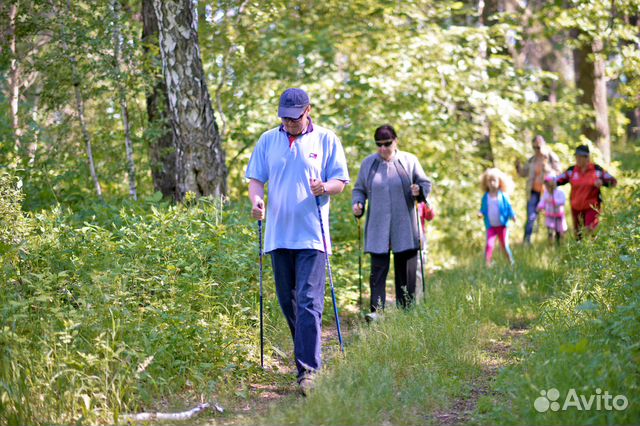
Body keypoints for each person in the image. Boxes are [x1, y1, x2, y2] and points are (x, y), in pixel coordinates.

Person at [246, 88, 349, 394]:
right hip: (278, 236)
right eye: (285, 118)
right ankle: (307, 353)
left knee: (308, 302)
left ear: (308, 111)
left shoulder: (326, 139)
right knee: (288, 303)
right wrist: (257, 202)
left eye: (295, 118)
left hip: (312, 236)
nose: (289, 123)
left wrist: (325, 188)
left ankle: (308, 371)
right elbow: (256, 179)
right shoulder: (268, 140)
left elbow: (340, 182)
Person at [352, 125, 432, 320]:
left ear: (395, 141)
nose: (383, 149)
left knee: (406, 271)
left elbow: (425, 183)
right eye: (378, 145)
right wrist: (358, 204)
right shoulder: (369, 164)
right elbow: (359, 189)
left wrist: (418, 190)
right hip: (378, 226)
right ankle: (376, 312)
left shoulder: (409, 161)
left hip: (404, 225)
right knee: (378, 271)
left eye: (387, 144)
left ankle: (406, 312)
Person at [555, 144, 617, 239]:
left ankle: (593, 250)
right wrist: (549, 181)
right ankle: (579, 251)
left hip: (592, 207)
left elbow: (613, 181)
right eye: (576, 157)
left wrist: (602, 182)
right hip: (576, 207)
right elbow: (558, 180)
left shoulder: (597, 170)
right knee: (578, 234)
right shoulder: (572, 171)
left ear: (587, 157)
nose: (578, 159)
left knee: (590, 229)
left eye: (580, 157)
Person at [515, 135, 562, 244]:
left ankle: (554, 241)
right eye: (534, 147)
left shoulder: (551, 157)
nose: (537, 150)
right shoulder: (532, 160)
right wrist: (518, 167)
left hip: (548, 192)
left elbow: (559, 173)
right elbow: (524, 173)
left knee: (552, 216)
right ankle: (527, 241)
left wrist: (548, 169)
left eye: (539, 147)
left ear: (544, 145)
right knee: (531, 216)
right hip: (534, 192)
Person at [478, 168, 516, 266]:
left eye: (494, 180)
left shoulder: (503, 196)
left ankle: (510, 262)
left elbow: (509, 207)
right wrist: (480, 213)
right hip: (491, 226)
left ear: (499, 182)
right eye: (489, 181)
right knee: (489, 244)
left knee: (504, 245)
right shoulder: (485, 197)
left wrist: (513, 216)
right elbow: (483, 209)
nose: (492, 183)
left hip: (502, 226)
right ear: (486, 183)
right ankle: (487, 264)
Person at [536, 175, 568, 244]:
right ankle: (551, 245)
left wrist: (554, 202)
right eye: (546, 186)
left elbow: (563, 201)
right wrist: (540, 207)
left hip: (558, 215)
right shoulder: (546, 193)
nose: (547, 187)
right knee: (550, 230)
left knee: (559, 231)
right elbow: (543, 201)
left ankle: (559, 244)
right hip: (550, 215)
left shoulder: (559, 192)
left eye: (548, 186)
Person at [415, 200, 435, 300]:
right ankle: (406, 299)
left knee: (419, 267)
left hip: (420, 237)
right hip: (404, 237)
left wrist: (429, 206)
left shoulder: (422, 199)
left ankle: (418, 299)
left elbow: (429, 216)